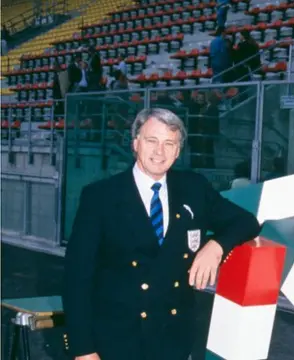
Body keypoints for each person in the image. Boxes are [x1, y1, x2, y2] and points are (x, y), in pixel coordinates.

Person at [62, 108, 261, 360]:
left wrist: (216, 245)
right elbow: (76, 279)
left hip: (174, 340)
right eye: (152, 141)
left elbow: (246, 222)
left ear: (177, 151)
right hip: (116, 342)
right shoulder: (101, 196)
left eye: (169, 143)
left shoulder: (194, 188)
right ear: (135, 143)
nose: (160, 151)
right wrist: (83, 349)